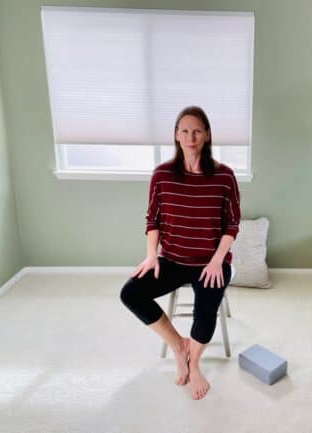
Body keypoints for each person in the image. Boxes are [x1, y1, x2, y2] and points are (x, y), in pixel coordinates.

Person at [120, 106, 241, 400]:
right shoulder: (161, 175)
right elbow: (153, 220)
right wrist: (151, 256)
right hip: (172, 260)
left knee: (205, 312)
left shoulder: (224, 176)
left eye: (197, 130)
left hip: (210, 263)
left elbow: (232, 224)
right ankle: (179, 346)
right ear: (176, 135)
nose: (191, 137)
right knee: (131, 293)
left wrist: (216, 262)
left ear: (207, 134)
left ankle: (195, 364)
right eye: (184, 130)